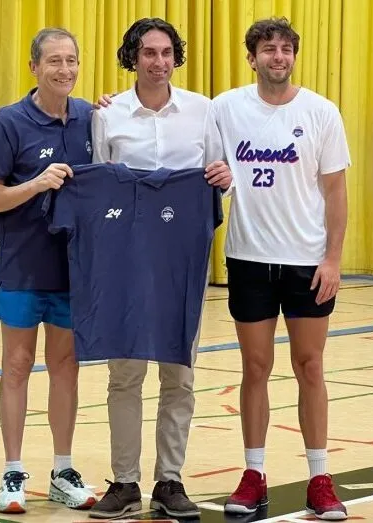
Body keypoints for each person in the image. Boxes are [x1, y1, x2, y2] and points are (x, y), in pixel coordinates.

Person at [88, 18, 232, 520]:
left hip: (180, 264)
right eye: (148, 52)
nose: (158, 61)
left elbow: (220, 174)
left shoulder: (202, 111)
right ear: (133, 57)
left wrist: (223, 176)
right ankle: (125, 482)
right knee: (124, 374)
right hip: (124, 262)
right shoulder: (107, 115)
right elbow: (101, 186)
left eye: (167, 52)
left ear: (176, 57)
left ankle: (169, 481)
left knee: (180, 374)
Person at [212, 17, 350, 521]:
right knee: (255, 367)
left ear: (294, 56)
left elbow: (336, 192)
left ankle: (319, 477)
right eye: (268, 49)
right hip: (248, 258)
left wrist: (333, 258)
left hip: (306, 263)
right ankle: (253, 474)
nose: (278, 56)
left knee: (310, 367)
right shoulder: (225, 109)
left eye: (286, 49)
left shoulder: (321, 112)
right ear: (252, 57)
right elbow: (196, 150)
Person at [0, 27, 97, 514]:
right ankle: (12, 472)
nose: (64, 70)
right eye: (54, 61)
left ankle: (63, 470)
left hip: (74, 269)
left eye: (71, 60)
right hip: (22, 265)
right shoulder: (8, 123)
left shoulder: (92, 117)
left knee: (66, 368)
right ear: (34, 67)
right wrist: (35, 184)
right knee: (18, 366)